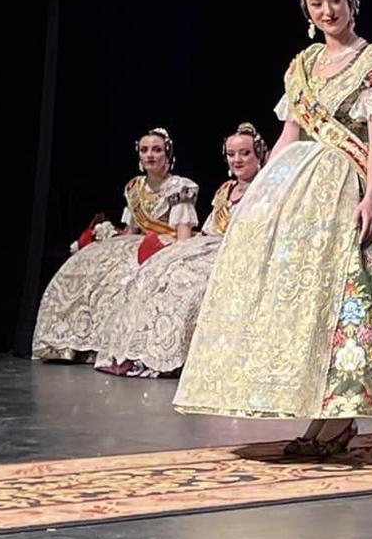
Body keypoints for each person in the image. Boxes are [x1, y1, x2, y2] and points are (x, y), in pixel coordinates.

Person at [175, 0, 372, 455]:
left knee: (348, 301)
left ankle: (341, 418)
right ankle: (318, 420)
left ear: (352, 1)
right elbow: (288, 134)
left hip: (354, 186)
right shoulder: (302, 64)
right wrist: (258, 195)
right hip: (303, 192)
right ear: (307, 10)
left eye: (336, 1)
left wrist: (370, 197)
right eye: (317, 4)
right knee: (307, 305)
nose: (328, 11)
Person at [95, 124, 268, 378]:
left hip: (240, 252)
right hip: (210, 245)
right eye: (231, 154)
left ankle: (168, 355)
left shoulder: (266, 189)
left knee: (186, 285)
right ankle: (139, 351)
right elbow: (210, 228)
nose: (237, 160)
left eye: (244, 153)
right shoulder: (225, 190)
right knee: (159, 273)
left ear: (259, 155)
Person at [32, 129, 200, 362]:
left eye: (157, 150)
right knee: (99, 269)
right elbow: (131, 231)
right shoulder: (134, 188)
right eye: (144, 150)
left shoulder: (179, 187)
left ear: (167, 154)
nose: (150, 155)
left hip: (168, 245)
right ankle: (81, 341)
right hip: (138, 243)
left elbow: (184, 234)